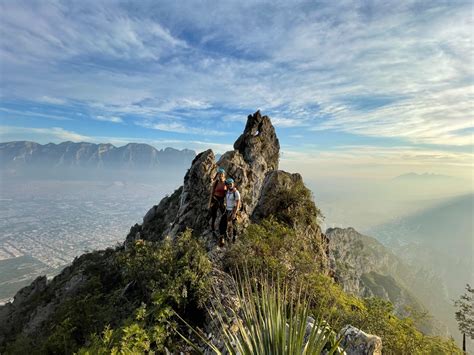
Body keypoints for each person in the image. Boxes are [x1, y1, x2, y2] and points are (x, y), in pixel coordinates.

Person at [218, 178, 240, 246]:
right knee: (222, 223)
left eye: (231, 184)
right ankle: (222, 237)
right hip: (227, 210)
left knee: (234, 224)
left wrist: (234, 213)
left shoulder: (236, 192)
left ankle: (234, 238)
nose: (229, 185)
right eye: (228, 184)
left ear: (233, 184)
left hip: (233, 210)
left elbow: (238, 203)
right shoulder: (227, 191)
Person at [208, 167, 227, 233]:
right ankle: (212, 229)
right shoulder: (216, 182)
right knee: (213, 215)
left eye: (221, 174)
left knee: (224, 214)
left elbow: (229, 192)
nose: (220, 175)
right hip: (215, 199)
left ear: (224, 174)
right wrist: (209, 203)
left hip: (222, 200)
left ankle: (223, 229)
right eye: (219, 174)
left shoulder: (226, 183)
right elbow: (212, 193)